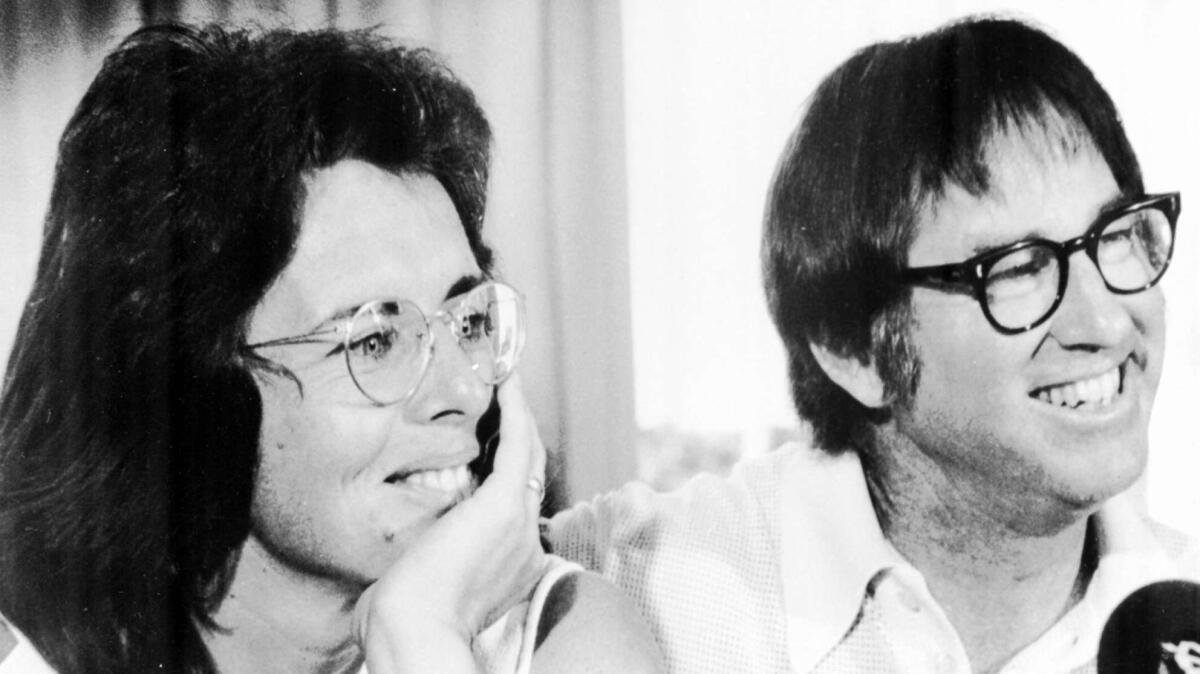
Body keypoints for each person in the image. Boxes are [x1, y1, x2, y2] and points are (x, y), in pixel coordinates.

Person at [0, 24, 661, 674]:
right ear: (189, 385)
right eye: (375, 338)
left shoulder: (562, 640)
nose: (463, 393)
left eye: (467, 323)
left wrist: (423, 640)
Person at [548, 15, 1199, 673]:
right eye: (1020, 268)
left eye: (1115, 236)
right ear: (852, 349)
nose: (1107, 323)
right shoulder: (623, 580)